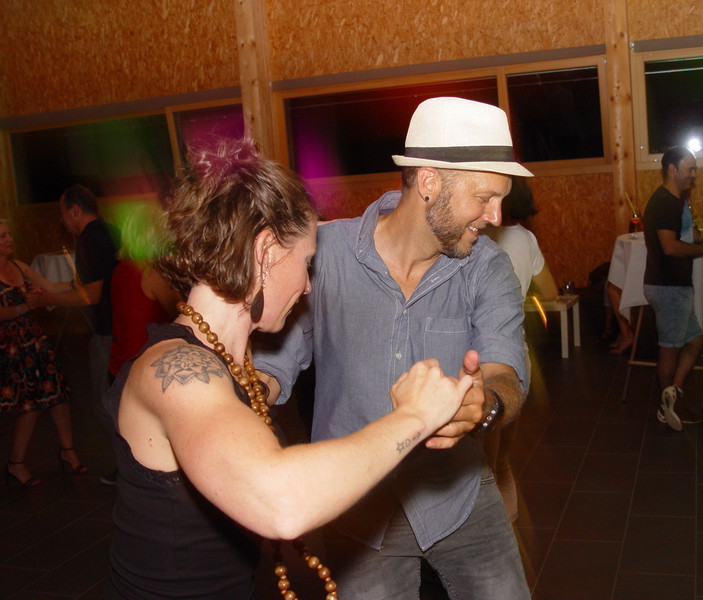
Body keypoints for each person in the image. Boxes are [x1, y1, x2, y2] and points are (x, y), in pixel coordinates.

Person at [102, 138, 472, 599]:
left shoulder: (231, 361)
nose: (308, 285)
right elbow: (280, 502)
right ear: (265, 252)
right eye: (307, 262)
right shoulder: (177, 370)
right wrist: (415, 416)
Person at [255, 96, 532, 598]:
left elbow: (505, 374)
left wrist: (485, 405)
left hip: (459, 498)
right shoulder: (327, 255)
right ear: (429, 182)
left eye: (501, 199)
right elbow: (271, 369)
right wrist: (232, 405)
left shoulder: (488, 269)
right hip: (357, 510)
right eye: (485, 197)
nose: (495, 216)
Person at [483, 175, 555, 522]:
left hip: (484, 363)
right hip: (516, 357)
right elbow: (551, 292)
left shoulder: (477, 238)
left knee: (481, 470)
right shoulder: (526, 239)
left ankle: (490, 540)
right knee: (501, 464)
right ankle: (508, 536)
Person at [37, 184, 119, 483]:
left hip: (107, 330)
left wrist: (48, 300)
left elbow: (91, 294)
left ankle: (128, 470)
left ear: (74, 210)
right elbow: (88, 284)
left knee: (105, 404)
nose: (62, 220)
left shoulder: (87, 240)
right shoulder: (110, 230)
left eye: (62, 213)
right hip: (122, 326)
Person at [0, 219, 87, 486]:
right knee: (31, 403)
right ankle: (16, 463)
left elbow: (51, 287)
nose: (9, 239)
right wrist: (26, 306)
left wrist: (76, 282)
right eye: (2, 236)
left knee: (57, 394)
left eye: (9, 234)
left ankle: (68, 451)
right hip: (10, 347)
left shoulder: (19, 266)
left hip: (34, 342)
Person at [642, 146, 703, 432]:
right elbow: (671, 247)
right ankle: (667, 408)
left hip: (674, 287)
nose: (694, 174)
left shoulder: (677, 201)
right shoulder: (664, 203)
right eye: (690, 169)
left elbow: (686, 234)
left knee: (695, 340)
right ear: (672, 170)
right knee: (670, 347)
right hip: (668, 287)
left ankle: (673, 393)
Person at [108, 202, 180, 380]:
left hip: (119, 365)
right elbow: (184, 315)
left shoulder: (120, 268)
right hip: (143, 369)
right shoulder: (154, 273)